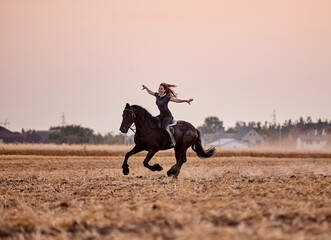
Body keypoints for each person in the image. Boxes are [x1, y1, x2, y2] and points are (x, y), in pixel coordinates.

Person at [142, 83, 193, 147]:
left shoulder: (167, 98)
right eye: (159, 88)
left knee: (163, 127)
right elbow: (150, 92)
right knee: (152, 122)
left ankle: (172, 141)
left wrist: (186, 100)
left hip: (168, 116)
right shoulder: (157, 95)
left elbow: (176, 100)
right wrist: (146, 88)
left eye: (161, 89)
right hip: (161, 116)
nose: (160, 90)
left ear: (164, 90)